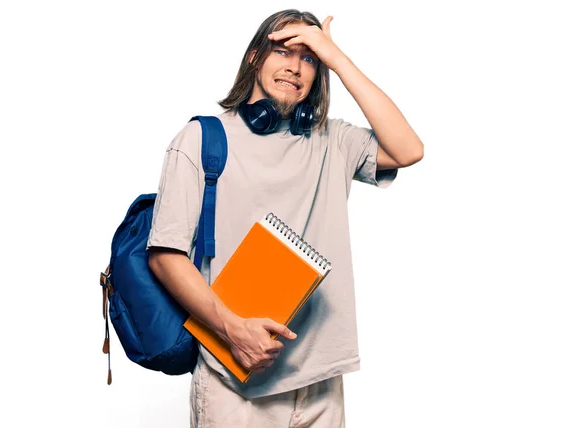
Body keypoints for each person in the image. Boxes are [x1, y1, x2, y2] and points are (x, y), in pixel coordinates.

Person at [147, 9, 423, 428]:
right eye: (283, 52)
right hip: (235, 381)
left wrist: (337, 57)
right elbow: (165, 257)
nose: (295, 67)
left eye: (309, 58)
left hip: (320, 384)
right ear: (256, 57)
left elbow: (408, 149)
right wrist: (234, 330)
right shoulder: (201, 139)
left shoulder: (334, 140)